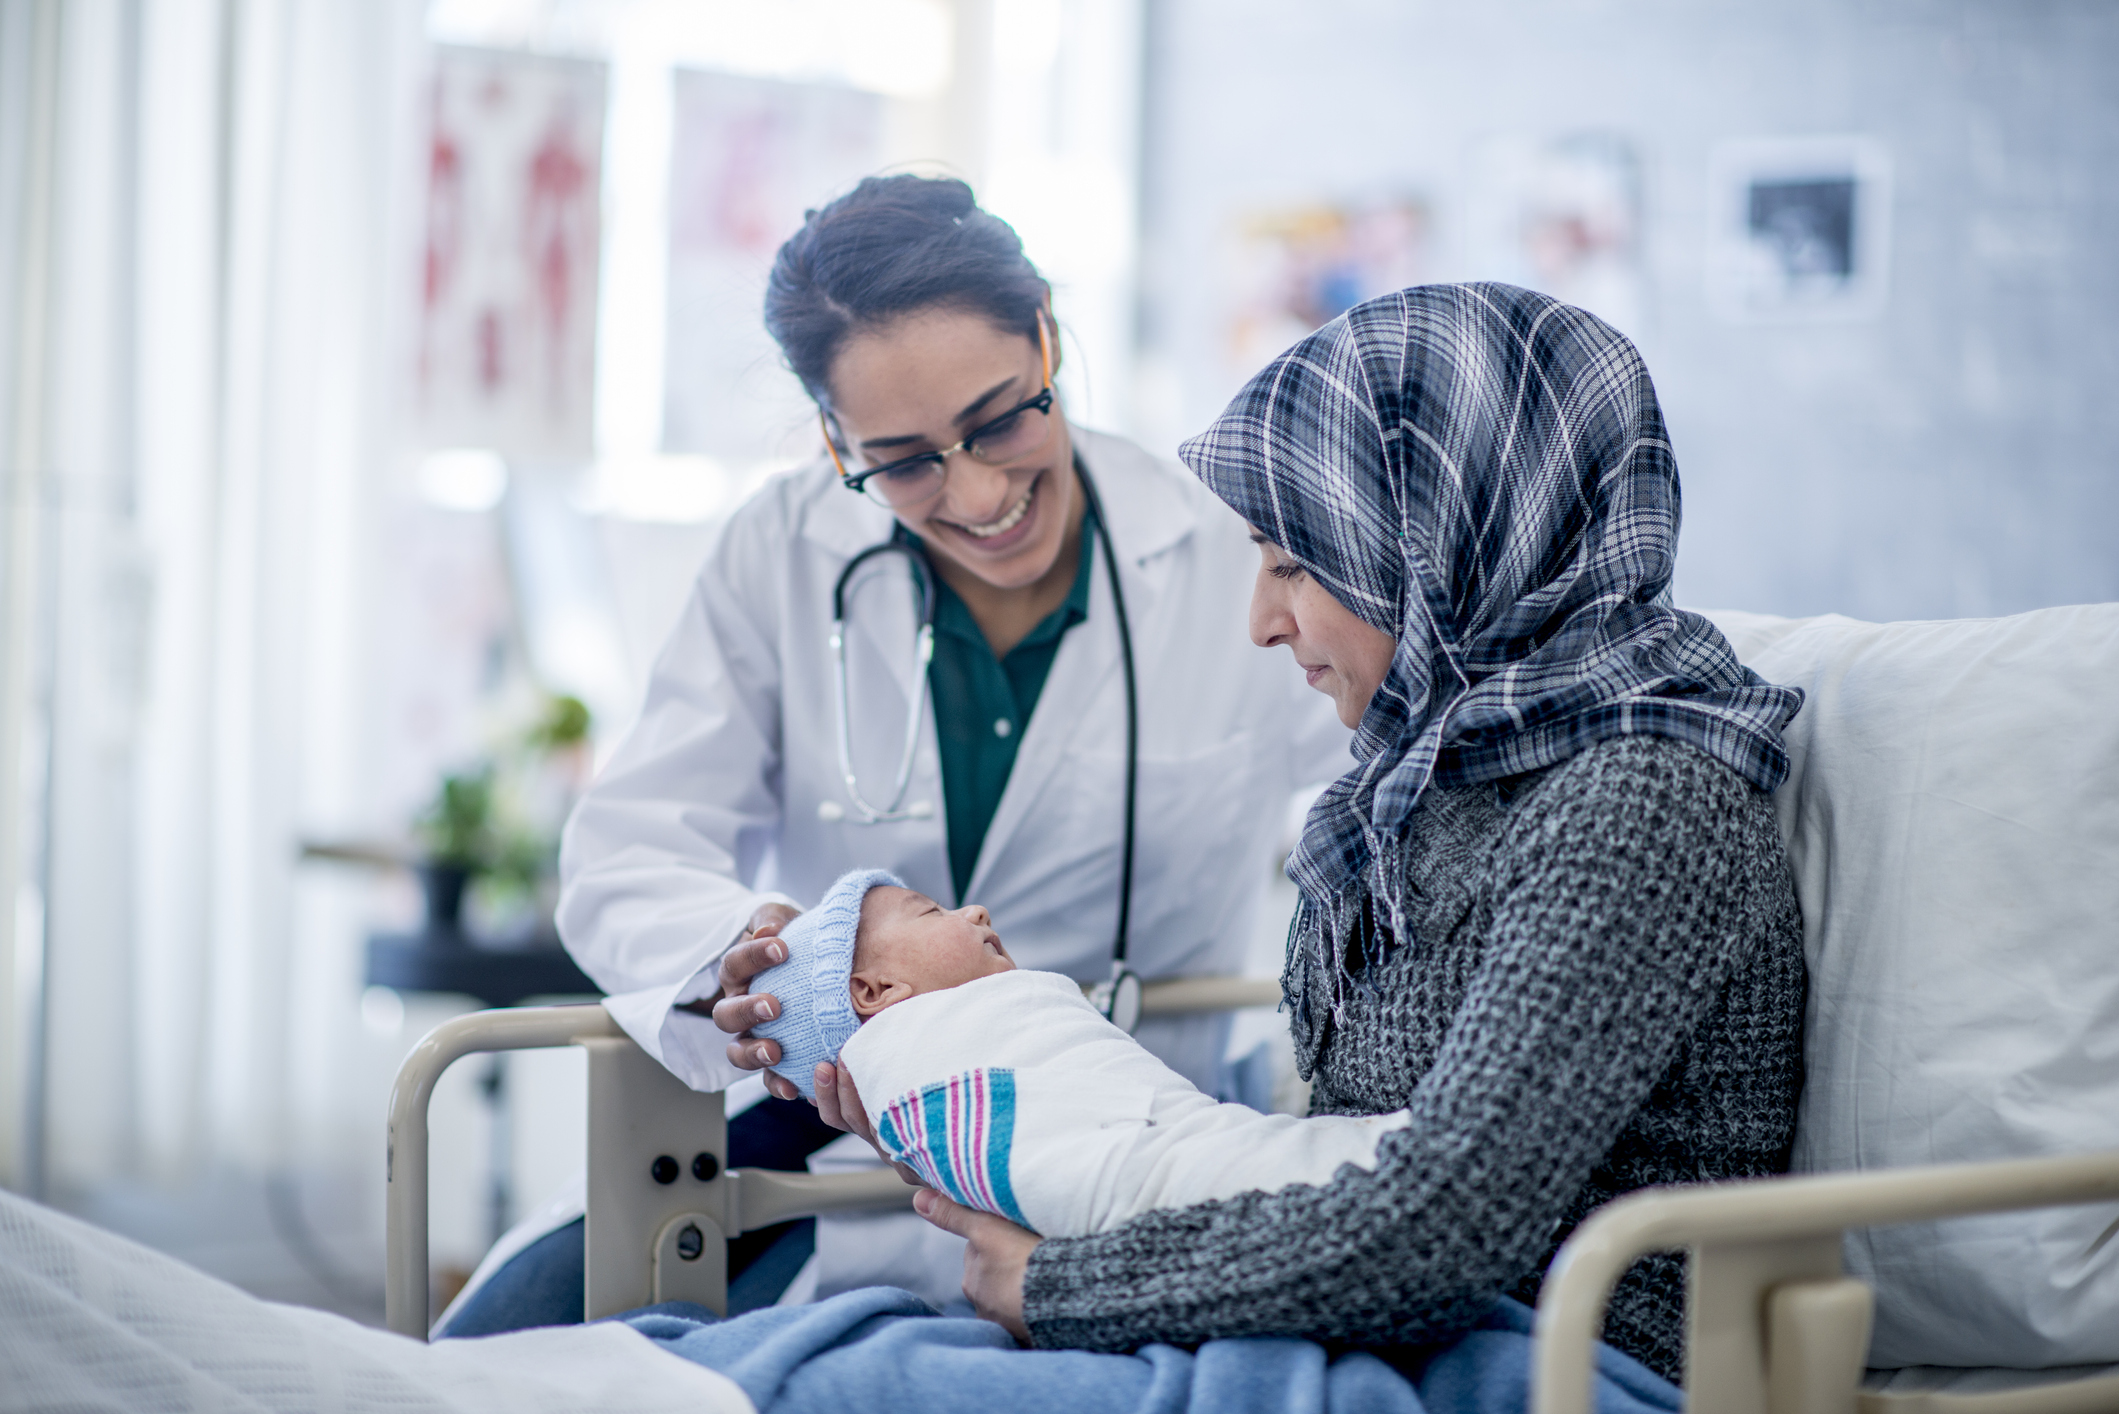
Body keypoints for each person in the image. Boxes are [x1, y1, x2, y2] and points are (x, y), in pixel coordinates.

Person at [798, 282, 1806, 1383]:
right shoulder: (1417, 788)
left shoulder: (1638, 807)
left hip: (1552, 1356)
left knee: (839, 1380)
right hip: (1367, 1325)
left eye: (1294, 562)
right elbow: (1324, 1165)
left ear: (1428, 541)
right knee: (815, 1353)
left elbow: (1449, 1222)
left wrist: (1058, 1284)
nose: (1261, 621)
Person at [440, 174, 1348, 1334]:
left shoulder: (1228, 551)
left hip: (1122, 1137)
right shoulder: (781, 552)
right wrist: (747, 957)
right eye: (906, 459)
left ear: (1046, 340)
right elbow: (624, 855)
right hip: (834, 1139)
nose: (977, 492)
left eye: (1003, 417)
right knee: (481, 1354)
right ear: (832, 439)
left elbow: (1394, 794)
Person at [748, 868, 1407, 1239]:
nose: (975, 910)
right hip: (1138, 1174)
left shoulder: (1001, 1018)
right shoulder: (925, 1063)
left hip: (1178, 1135)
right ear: (876, 991)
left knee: (1277, 1164)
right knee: (1304, 1175)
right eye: (930, 912)